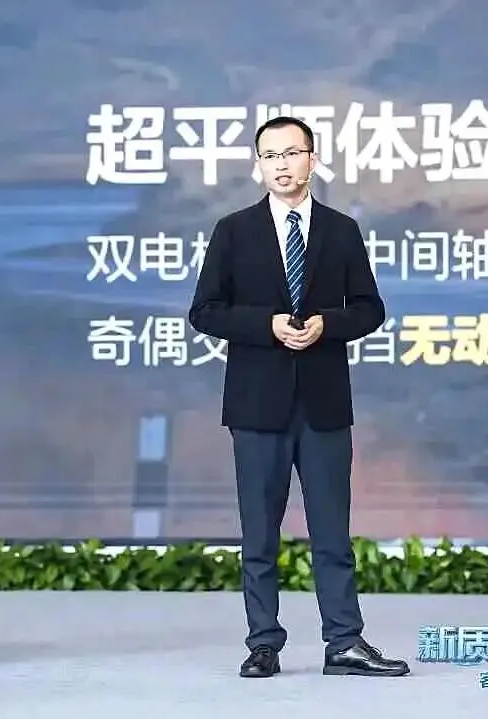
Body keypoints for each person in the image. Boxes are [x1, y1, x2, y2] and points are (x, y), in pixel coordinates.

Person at [188, 116, 409, 679]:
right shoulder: (234, 230)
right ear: (258, 165)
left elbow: (370, 308)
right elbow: (204, 311)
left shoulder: (341, 230)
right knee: (260, 535)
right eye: (270, 156)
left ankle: (345, 643)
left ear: (313, 158)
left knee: (332, 533)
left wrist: (326, 325)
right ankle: (263, 643)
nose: (281, 165)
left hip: (323, 404)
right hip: (256, 406)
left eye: (292, 153)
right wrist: (267, 325)